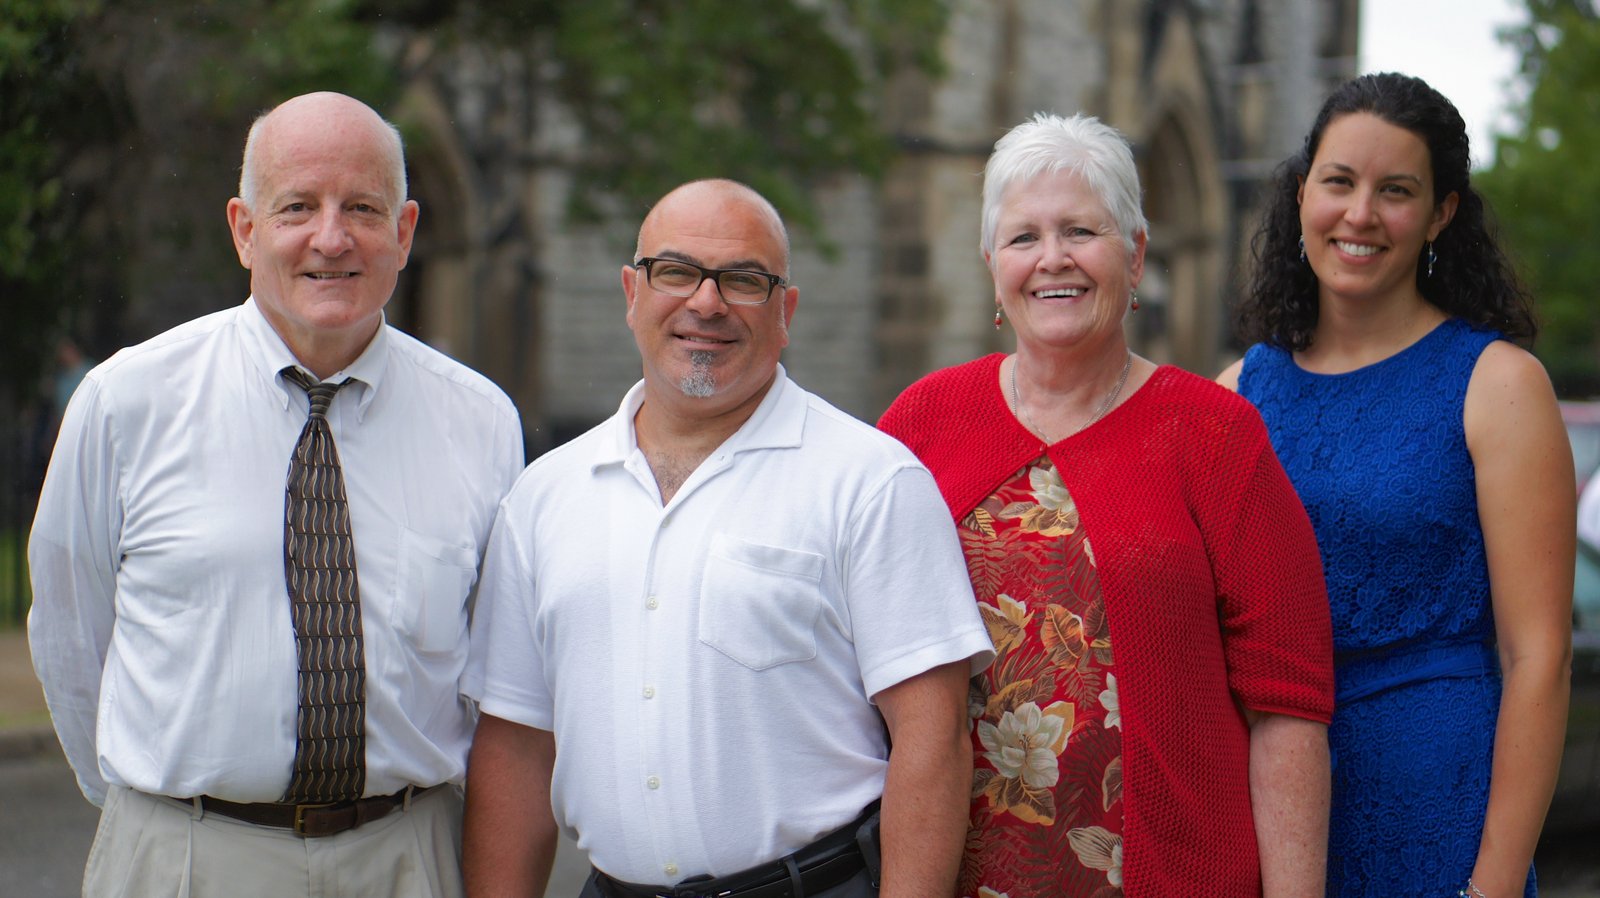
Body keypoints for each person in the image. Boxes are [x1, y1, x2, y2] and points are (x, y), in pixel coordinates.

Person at [27, 91, 524, 897]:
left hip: (405, 857)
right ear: (244, 230)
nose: (332, 237)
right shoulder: (127, 402)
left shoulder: (481, 422)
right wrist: (158, 809)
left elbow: (498, 670)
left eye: (363, 207)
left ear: (404, 232)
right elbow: (69, 632)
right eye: (298, 206)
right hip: (187, 858)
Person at [460, 178, 994, 898]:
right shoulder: (544, 497)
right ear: (632, 293)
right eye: (675, 272)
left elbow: (932, 747)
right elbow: (516, 748)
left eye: (743, 280)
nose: (705, 303)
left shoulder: (871, 482)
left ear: (786, 310)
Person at [878, 113, 1337, 897]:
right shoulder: (923, 422)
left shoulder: (1217, 435)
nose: (1052, 258)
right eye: (1024, 238)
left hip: (1173, 873)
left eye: (1081, 231)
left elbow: (1288, 707)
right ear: (993, 265)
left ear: (1137, 253)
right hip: (953, 875)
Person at [1222, 72, 1574, 898]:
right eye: (1339, 182)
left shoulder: (1497, 385)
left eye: (1397, 191)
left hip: (1439, 802)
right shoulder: (1240, 391)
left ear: (1442, 213)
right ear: (1302, 190)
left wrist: (1488, 888)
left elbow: (1541, 658)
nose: (1360, 214)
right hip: (1273, 803)